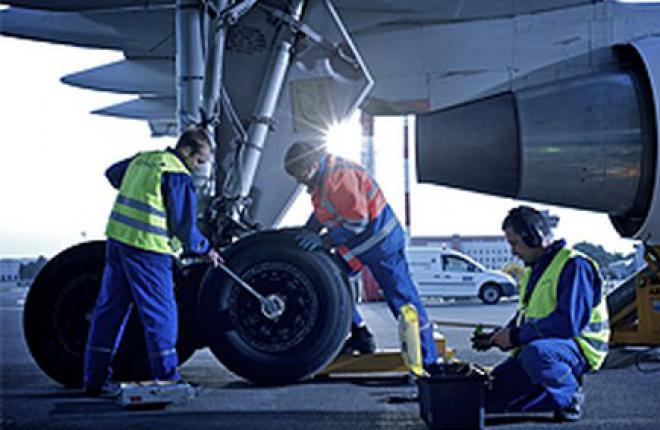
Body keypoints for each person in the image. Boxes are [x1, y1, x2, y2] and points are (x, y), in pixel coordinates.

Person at [83, 127, 223, 395]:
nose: (197, 168)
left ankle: (95, 380)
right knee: (161, 315)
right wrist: (206, 249)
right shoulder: (177, 174)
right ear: (187, 151)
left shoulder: (143, 159)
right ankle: (168, 380)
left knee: (109, 311)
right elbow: (184, 227)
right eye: (199, 161)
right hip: (148, 248)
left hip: (117, 241)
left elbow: (113, 174)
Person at [284, 141, 438, 367]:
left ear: (314, 164)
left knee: (404, 304)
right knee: (331, 283)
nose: (300, 180)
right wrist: (306, 232)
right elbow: (325, 213)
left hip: (381, 244)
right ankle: (360, 334)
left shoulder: (339, 178)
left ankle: (428, 362)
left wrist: (322, 240)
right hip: (360, 245)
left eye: (301, 174)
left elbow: (357, 222)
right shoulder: (322, 181)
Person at [479, 206, 609, 421]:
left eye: (514, 243)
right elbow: (527, 316)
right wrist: (496, 337)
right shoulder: (534, 270)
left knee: (536, 354)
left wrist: (516, 336)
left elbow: (568, 323)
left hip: (577, 348)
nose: (513, 251)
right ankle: (546, 395)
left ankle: (569, 396)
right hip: (543, 347)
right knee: (488, 396)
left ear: (534, 237)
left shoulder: (574, 265)